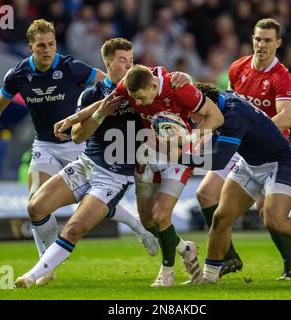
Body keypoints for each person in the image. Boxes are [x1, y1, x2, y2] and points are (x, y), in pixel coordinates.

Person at [0, 20, 151, 284]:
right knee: (37, 204)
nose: (47, 50)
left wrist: (104, 116)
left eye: (52, 44)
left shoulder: (71, 67)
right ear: (31, 46)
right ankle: (47, 265)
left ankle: (136, 225)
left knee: (92, 199)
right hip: (45, 145)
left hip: (79, 144)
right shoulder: (18, 75)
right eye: (41, 45)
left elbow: (108, 87)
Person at [13, 38, 191, 288]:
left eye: (131, 60)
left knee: (75, 227)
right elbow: (77, 136)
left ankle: (32, 276)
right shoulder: (91, 94)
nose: (129, 66)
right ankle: (48, 263)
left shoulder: (139, 90)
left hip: (116, 175)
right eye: (122, 61)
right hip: (87, 163)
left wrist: (182, 76)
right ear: (107, 63)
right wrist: (99, 114)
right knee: (36, 207)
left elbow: (166, 82)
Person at [184, 83, 291, 284]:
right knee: (221, 217)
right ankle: (210, 278)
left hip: (279, 162)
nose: (192, 118)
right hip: (250, 163)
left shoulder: (234, 115)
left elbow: (220, 160)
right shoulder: (221, 104)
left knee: (275, 221)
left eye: (195, 112)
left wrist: (182, 156)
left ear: (209, 104)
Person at [196, 18, 291, 280]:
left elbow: (287, 118)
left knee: (268, 212)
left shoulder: (281, 76)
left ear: (278, 43)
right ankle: (229, 258)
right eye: (257, 39)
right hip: (238, 146)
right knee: (205, 194)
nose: (261, 45)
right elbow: (229, 108)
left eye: (267, 40)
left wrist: (255, 132)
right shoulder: (238, 68)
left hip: (268, 150)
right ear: (252, 39)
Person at [115, 64, 224, 287]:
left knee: (160, 215)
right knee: (147, 221)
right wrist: (74, 119)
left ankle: (167, 274)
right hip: (148, 155)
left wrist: (190, 140)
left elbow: (216, 117)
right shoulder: (128, 86)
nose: (141, 104)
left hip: (178, 158)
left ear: (154, 85)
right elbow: (106, 102)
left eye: (144, 98)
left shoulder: (180, 88)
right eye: (136, 99)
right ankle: (186, 248)